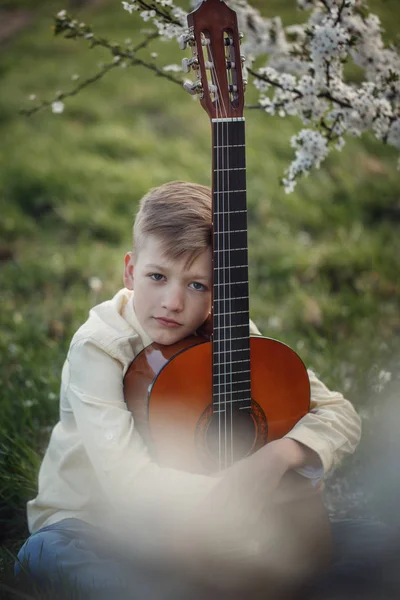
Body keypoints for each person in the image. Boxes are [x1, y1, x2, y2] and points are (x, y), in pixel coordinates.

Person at [14, 181, 372, 599]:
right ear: (130, 271)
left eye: (198, 285)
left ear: (221, 291)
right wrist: (239, 491)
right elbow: (130, 486)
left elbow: (340, 414)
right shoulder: (99, 347)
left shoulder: (226, 334)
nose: (173, 302)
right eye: (157, 276)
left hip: (198, 530)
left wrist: (279, 456)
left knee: (376, 544)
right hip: (91, 526)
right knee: (48, 554)